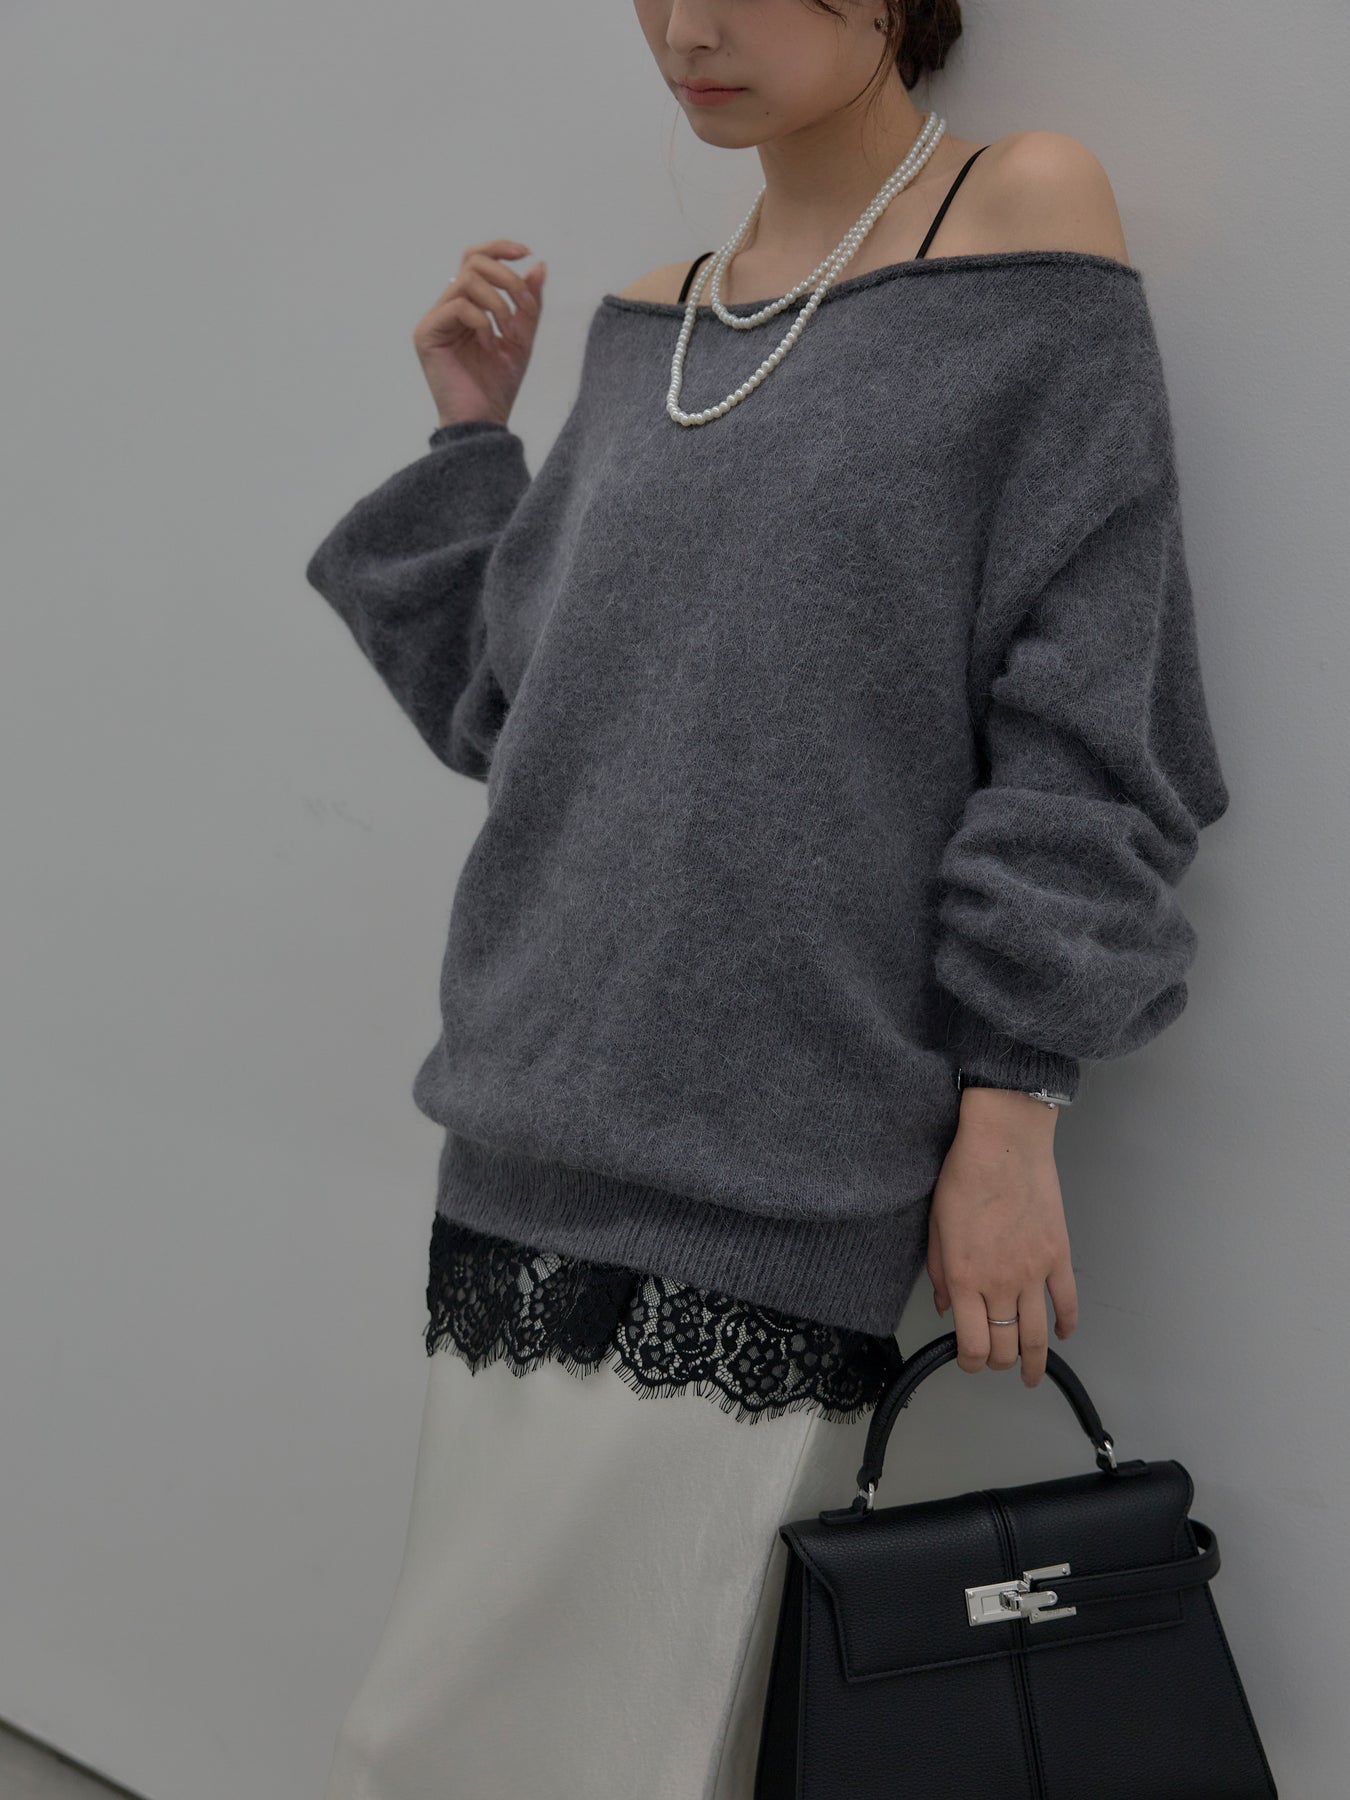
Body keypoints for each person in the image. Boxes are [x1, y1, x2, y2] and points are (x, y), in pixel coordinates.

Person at [306, 2, 1230, 1795]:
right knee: (499, 1742)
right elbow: (521, 726)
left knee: (534, 1750)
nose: (689, 25)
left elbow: (1091, 711)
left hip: (776, 1158)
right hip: (522, 1125)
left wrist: (1012, 1107)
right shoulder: (655, 314)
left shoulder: (1020, 213)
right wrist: (468, 443)